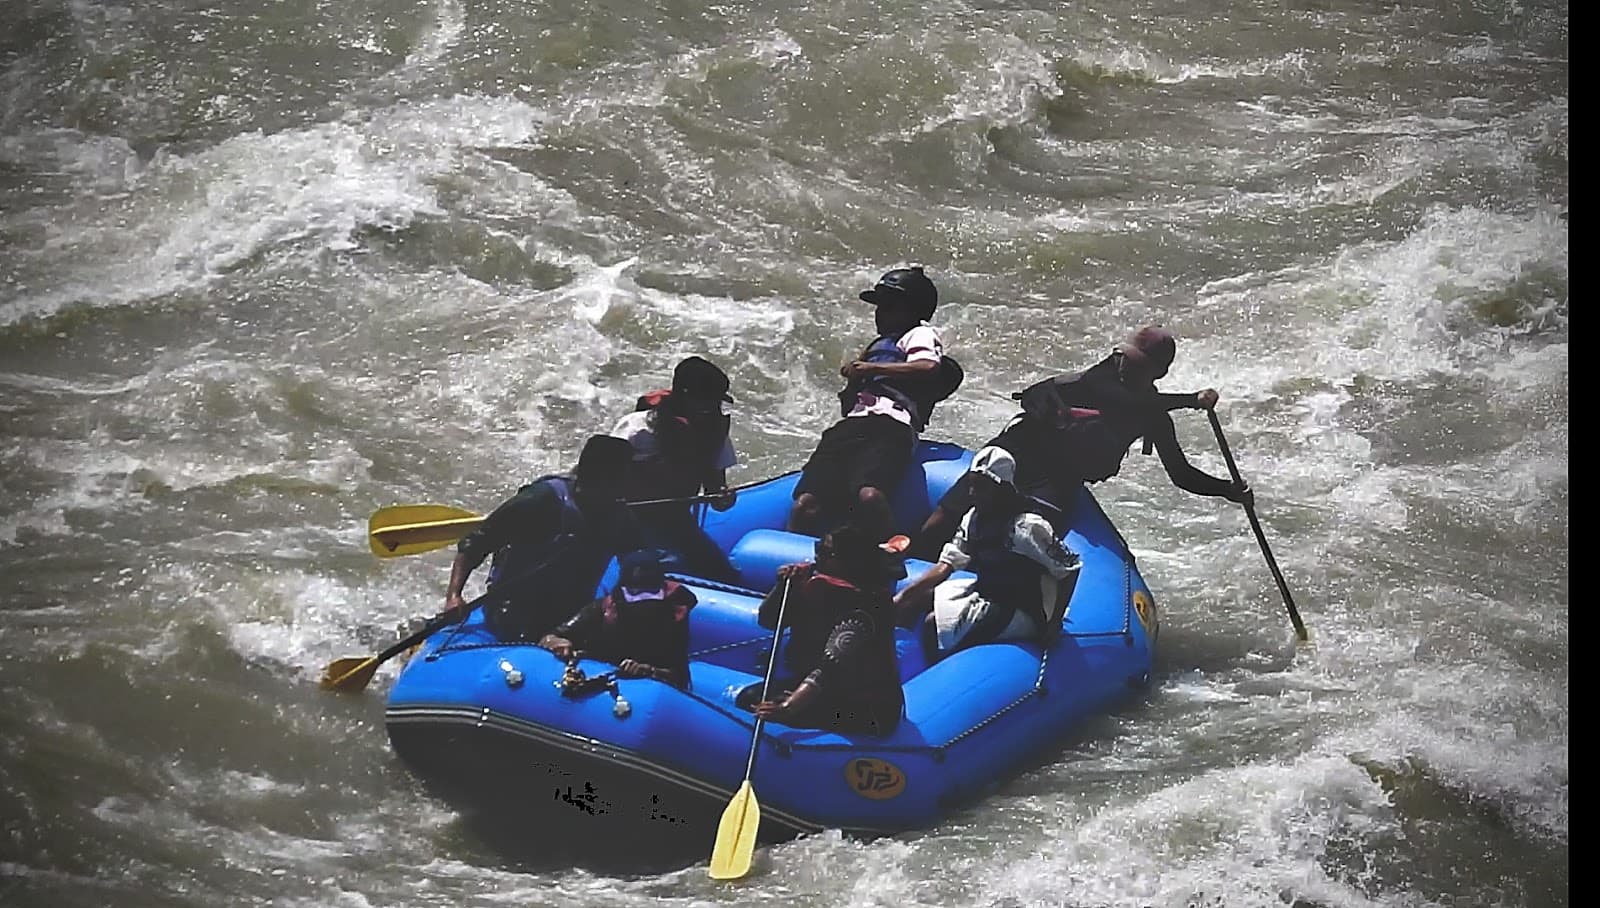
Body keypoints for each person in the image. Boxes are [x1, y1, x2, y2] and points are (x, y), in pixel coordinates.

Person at [912, 325, 1252, 555]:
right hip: (1021, 448)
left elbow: (1181, 474)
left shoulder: (1154, 416)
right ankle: (914, 562)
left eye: (1137, 365)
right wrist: (1192, 400)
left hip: (1059, 477)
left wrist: (1227, 489)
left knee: (1031, 540)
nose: (1126, 367)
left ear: (1158, 374)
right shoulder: (1099, 378)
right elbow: (1123, 401)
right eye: (1126, 359)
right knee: (946, 516)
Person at [789, 266, 963, 540]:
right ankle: (794, 565)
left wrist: (868, 369)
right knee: (806, 503)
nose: (880, 312)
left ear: (913, 309)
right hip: (853, 425)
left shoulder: (918, 334)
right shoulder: (877, 346)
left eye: (890, 306)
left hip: (891, 427)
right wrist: (853, 384)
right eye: (880, 306)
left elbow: (928, 367)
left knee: (869, 496)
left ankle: (889, 563)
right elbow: (849, 405)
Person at [445, 434, 642, 642]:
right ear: (601, 475)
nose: (630, 484)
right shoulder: (540, 501)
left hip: (571, 613)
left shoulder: (619, 515)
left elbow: (637, 559)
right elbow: (475, 544)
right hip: (514, 609)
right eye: (624, 476)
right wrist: (454, 596)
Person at [894, 447, 1081, 659]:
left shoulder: (1026, 527)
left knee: (931, 624)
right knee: (915, 600)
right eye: (972, 485)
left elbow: (1069, 569)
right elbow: (946, 565)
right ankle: (896, 661)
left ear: (1002, 489)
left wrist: (1054, 622)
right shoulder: (974, 518)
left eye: (981, 487)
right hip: (987, 592)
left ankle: (934, 673)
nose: (972, 493)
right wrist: (903, 597)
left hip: (1024, 609)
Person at [739, 523, 905, 736]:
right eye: (818, 548)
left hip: (866, 709)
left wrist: (789, 707)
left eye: (827, 553)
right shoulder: (816, 584)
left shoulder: (867, 606)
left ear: (850, 562)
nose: (818, 557)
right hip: (831, 691)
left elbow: (828, 668)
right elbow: (768, 621)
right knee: (750, 698)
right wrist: (783, 588)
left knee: (763, 705)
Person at [610, 355, 740, 582]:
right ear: (685, 396)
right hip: (630, 523)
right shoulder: (636, 429)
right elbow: (601, 478)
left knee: (725, 576)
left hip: (677, 521)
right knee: (656, 578)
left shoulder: (713, 432)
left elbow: (715, 492)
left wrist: (724, 497)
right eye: (708, 401)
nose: (714, 408)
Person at [538, 549, 698, 688]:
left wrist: (648, 670)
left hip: (642, 691)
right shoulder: (602, 609)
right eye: (633, 591)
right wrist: (557, 641)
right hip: (595, 677)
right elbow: (553, 636)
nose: (640, 598)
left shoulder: (672, 617)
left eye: (648, 592)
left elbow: (679, 677)